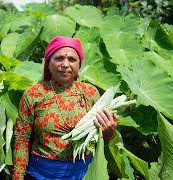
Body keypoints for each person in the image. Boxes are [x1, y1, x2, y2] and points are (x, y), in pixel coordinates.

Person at [12, 36, 119, 180]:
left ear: (79, 65)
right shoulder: (34, 94)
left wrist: (109, 132)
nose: (65, 64)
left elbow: (99, 139)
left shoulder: (90, 93)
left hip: (83, 174)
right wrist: (18, 177)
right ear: (48, 63)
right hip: (40, 174)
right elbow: (22, 139)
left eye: (72, 60)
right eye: (59, 58)